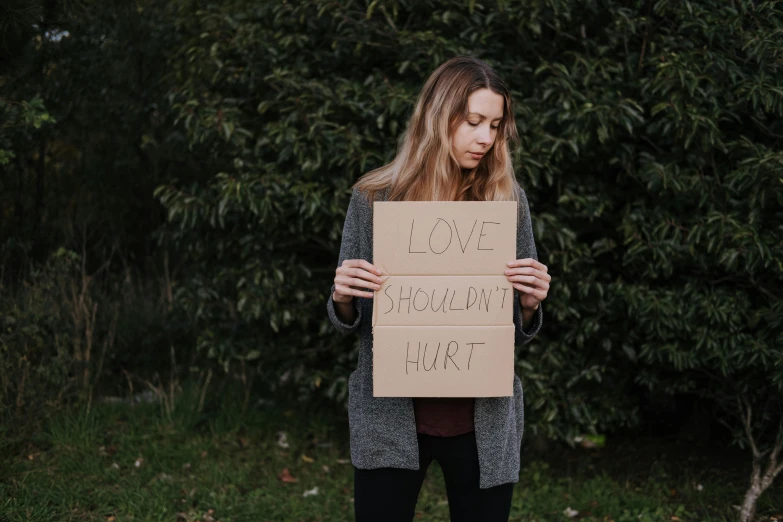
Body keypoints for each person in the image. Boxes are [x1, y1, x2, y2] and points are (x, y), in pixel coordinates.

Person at [327, 55, 551, 522]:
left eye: (494, 124)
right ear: (438, 117)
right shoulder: (374, 201)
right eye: (473, 122)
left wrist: (529, 305)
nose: (485, 138)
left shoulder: (506, 202)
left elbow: (515, 328)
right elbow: (350, 323)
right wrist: (343, 298)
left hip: (482, 422)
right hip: (391, 419)